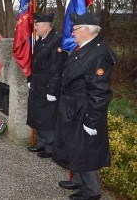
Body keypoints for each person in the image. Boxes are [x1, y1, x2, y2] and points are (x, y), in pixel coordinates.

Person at [53, 12, 117, 200]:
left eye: (75, 30)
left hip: (84, 108)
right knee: (74, 145)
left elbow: (99, 91)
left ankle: (92, 191)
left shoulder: (99, 54)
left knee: (85, 148)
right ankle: (79, 180)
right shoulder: (84, 48)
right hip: (73, 106)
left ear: (87, 30)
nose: (72, 33)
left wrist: (92, 120)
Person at [26, 13, 67, 158]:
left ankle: (50, 148)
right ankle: (41, 143)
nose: (35, 27)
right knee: (38, 114)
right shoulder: (41, 40)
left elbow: (57, 68)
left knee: (48, 117)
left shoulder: (57, 41)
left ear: (46, 25)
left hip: (48, 86)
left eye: (37, 25)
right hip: (38, 84)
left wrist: (52, 90)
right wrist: (30, 79)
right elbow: (34, 62)